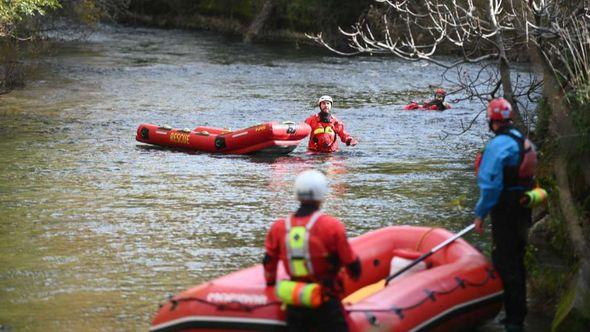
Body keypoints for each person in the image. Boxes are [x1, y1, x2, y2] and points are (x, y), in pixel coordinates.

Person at [263, 170, 362, 331]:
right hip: (326, 304)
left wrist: (270, 284)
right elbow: (353, 268)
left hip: (295, 304)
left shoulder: (279, 227)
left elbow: (269, 264)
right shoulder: (332, 227)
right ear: (322, 194)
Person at [472, 98, 538, 332]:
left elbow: (490, 186)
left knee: (505, 262)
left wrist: (480, 214)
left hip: (506, 212)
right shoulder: (523, 140)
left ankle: (512, 322)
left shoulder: (498, 145)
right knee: (517, 261)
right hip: (523, 210)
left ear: (493, 120)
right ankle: (516, 314)